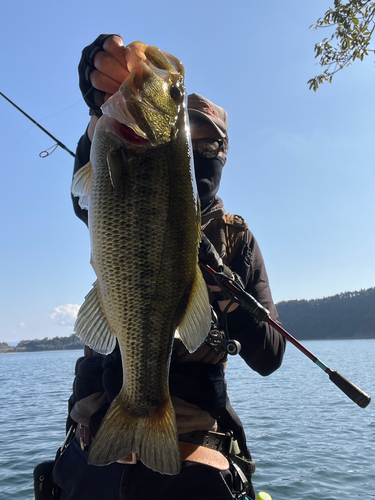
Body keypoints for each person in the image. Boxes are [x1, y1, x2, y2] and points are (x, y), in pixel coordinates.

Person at [51, 34, 286, 500]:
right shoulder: (124, 146)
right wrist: (98, 108)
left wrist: (229, 297)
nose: (196, 150)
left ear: (223, 154)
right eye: (188, 136)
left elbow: (270, 356)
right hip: (94, 441)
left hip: (194, 454)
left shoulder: (235, 237)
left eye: (209, 143)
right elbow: (92, 198)